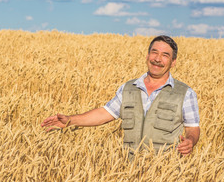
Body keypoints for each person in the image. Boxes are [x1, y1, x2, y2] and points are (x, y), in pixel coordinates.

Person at [41, 35, 200, 156]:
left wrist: (190, 141)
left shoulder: (185, 93)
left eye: (165, 55)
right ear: (147, 56)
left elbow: (192, 128)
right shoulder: (128, 88)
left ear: (173, 62)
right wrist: (70, 120)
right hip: (129, 168)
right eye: (154, 52)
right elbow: (105, 113)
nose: (157, 59)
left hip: (165, 170)